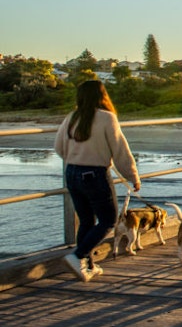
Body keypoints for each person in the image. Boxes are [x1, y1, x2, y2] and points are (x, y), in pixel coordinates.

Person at [54, 80, 140, 282]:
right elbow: (121, 152)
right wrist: (132, 176)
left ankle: (87, 266)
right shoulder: (107, 118)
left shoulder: (71, 118)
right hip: (94, 175)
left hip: (72, 173)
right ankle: (77, 256)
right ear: (102, 95)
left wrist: (77, 156)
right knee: (108, 220)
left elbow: (58, 148)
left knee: (86, 220)